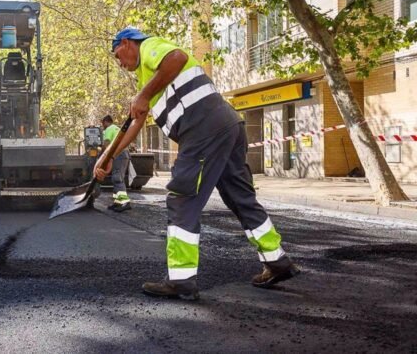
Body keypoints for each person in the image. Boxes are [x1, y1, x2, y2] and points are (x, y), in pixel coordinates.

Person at [95, 27, 299, 300]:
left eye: (117, 54)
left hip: (203, 130)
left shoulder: (150, 48)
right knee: (241, 198)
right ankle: (276, 261)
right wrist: (106, 157)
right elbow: (135, 124)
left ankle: (180, 280)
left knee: (182, 198)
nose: (119, 62)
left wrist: (143, 94)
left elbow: (177, 57)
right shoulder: (149, 79)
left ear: (128, 43)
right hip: (227, 126)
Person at [101, 115, 131, 212]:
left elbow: (106, 144)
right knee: (117, 178)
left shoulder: (109, 129)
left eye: (103, 123)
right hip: (123, 154)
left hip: (119, 154)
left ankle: (124, 202)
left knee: (117, 178)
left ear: (106, 122)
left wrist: (103, 157)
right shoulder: (117, 128)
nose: (102, 126)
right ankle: (117, 202)